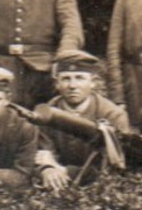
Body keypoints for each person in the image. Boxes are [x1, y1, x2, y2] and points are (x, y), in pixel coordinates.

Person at [39, 50, 131, 186]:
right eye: (66, 79)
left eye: (79, 78)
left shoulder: (112, 114)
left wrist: (67, 171)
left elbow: (114, 167)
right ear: (56, 84)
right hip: (56, 184)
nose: (72, 86)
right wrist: (47, 169)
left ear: (92, 82)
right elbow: (43, 151)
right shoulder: (47, 112)